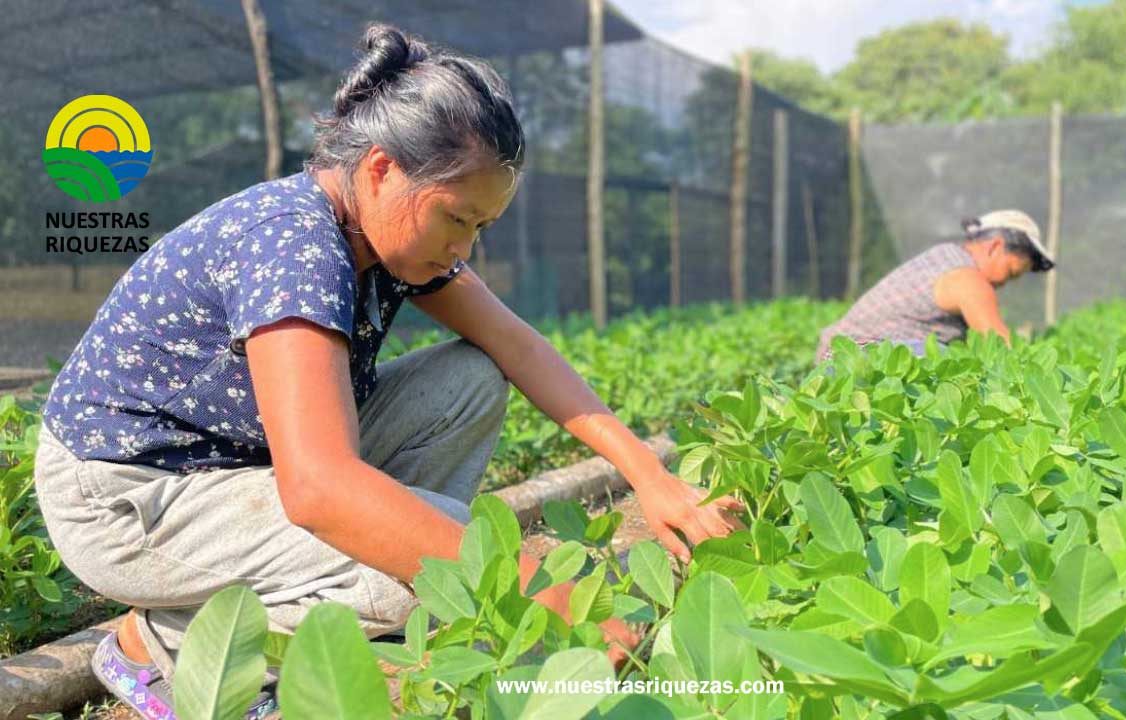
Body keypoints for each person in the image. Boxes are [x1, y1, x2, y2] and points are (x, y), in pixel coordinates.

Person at [34, 24, 744, 719]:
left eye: (481, 228)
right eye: (456, 219)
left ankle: (321, 591)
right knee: (417, 574)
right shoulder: (294, 245)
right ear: (380, 170)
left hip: (237, 466)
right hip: (126, 494)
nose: (465, 246)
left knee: (468, 382)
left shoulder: (389, 234)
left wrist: (650, 476)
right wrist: (531, 592)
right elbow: (319, 489)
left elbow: (519, 347)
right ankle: (157, 642)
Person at [816, 210, 1055, 361]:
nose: (1005, 283)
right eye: (1011, 272)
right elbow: (1002, 347)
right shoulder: (968, 279)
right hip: (858, 358)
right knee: (952, 366)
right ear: (994, 246)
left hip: (836, 358)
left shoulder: (943, 257)